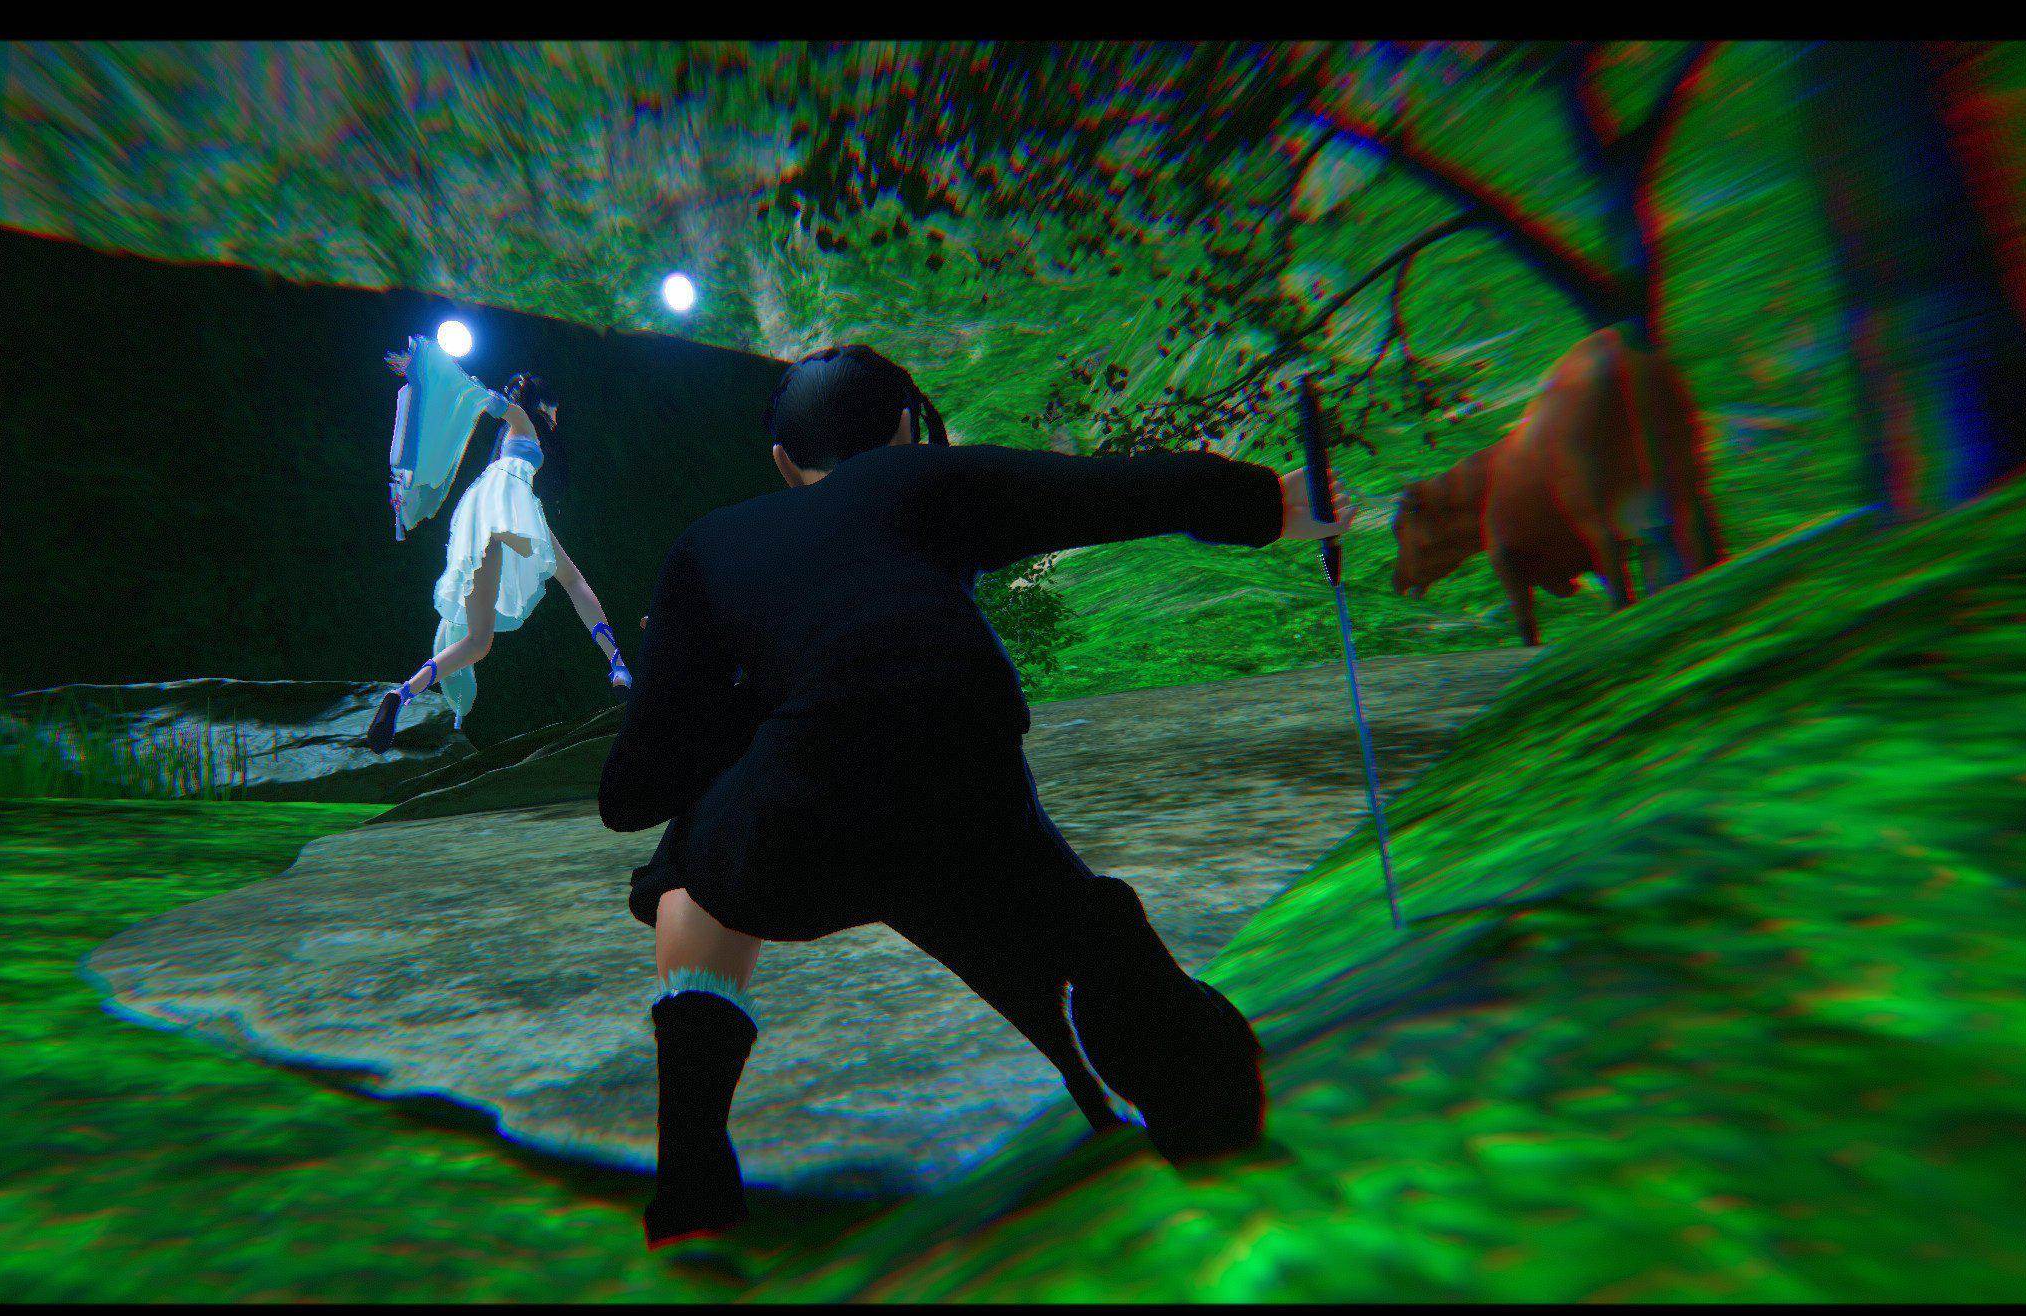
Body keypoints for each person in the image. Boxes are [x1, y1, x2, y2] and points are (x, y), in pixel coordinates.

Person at [599, 344, 1354, 1247]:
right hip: (961, 773)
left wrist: (737, 694)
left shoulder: (709, 545)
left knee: (682, 862)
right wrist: (1270, 504)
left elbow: (632, 792)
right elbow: (1114, 491)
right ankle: (1173, 1053)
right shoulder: (925, 477)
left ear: (782, 462)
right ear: (907, 426)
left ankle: (692, 1173)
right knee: (1044, 896)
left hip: (801, 822)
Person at [363, 340, 631, 753]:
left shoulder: (511, 438)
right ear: (542, 405)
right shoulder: (521, 421)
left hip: (489, 514)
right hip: (508, 504)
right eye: (553, 408)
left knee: (478, 641)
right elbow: (483, 398)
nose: (556, 416)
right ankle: (617, 664)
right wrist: (432, 369)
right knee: (572, 580)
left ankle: (400, 695)